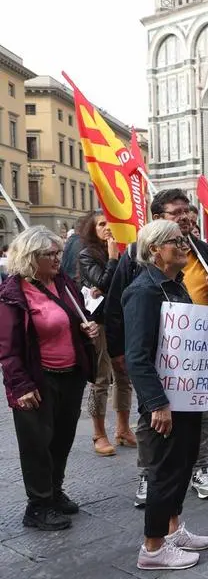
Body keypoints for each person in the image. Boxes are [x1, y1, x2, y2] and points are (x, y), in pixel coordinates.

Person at [106, 188, 208, 506]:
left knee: (201, 414)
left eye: (188, 210)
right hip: (153, 352)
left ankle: (198, 469)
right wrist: (119, 352)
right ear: (158, 220)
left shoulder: (206, 251)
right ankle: (150, 475)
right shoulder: (137, 255)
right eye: (176, 213)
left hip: (196, 353)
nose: (186, 217)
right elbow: (116, 304)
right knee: (152, 413)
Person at [124, 220, 208, 570]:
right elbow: (137, 355)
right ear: (155, 250)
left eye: (182, 239)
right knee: (164, 471)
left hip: (186, 396)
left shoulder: (172, 286)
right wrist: (156, 403)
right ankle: (153, 548)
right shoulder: (143, 291)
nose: (183, 245)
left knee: (183, 464)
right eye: (174, 241)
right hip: (166, 401)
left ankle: (173, 530)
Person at [0, 226, 99, 531]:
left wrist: (87, 329)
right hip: (37, 379)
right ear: (31, 257)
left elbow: (76, 315)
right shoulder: (13, 293)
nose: (58, 258)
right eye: (51, 254)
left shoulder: (63, 283)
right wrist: (20, 386)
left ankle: (54, 492)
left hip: (70, 375)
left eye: (58, 252)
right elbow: (7, 347)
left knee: (61, 439)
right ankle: (38, 505)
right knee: (36, 445)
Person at [77, 210, 137, 456]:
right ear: (92, 229)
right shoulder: (87, 255)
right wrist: (112, 259)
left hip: (118, 320)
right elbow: (102, 283)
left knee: (123, 375)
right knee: (101, 379)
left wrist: (115, 261)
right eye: (101, 224)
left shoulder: (119, 252)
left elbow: (119, 284)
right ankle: (98, 433)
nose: (107, 227)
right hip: (99, 322)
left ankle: (123, 429)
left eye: (109, 223)